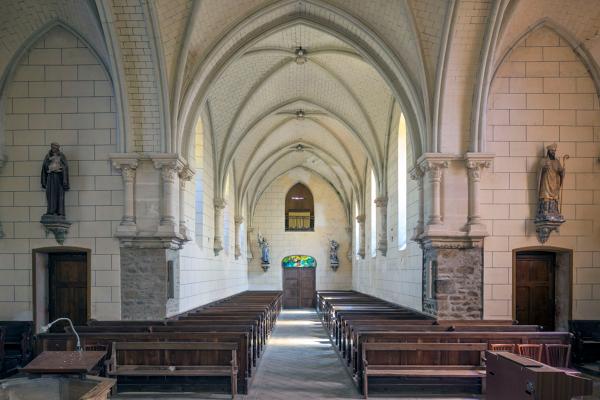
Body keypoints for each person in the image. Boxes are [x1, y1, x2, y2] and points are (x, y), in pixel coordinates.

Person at [536, 142, 564, 222]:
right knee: (545, 196)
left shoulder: (557, 162)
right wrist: (543, 169)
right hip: (545, 182)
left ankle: (553, 211)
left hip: (554, 183)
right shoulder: (543, 160)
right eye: (552, 151)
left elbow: (560, 171)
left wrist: (562, 172)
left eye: (554, 151)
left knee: (553, 198)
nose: (553, 153)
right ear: (548, 151)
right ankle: (544, 211)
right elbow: (539, 172)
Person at [41, 143, 69, 216]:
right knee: (50, 194)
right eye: (53, 147)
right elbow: (44, 166)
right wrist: (49, 165)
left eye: (55, 148)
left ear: (58, 148)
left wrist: (60, 166)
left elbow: (65, 166)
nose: (54, 149)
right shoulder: (48, 156)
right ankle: (51, 211)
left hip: (59, 178)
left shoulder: (61, 156)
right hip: (50, 178)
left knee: (59, 194)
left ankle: (60, 211)